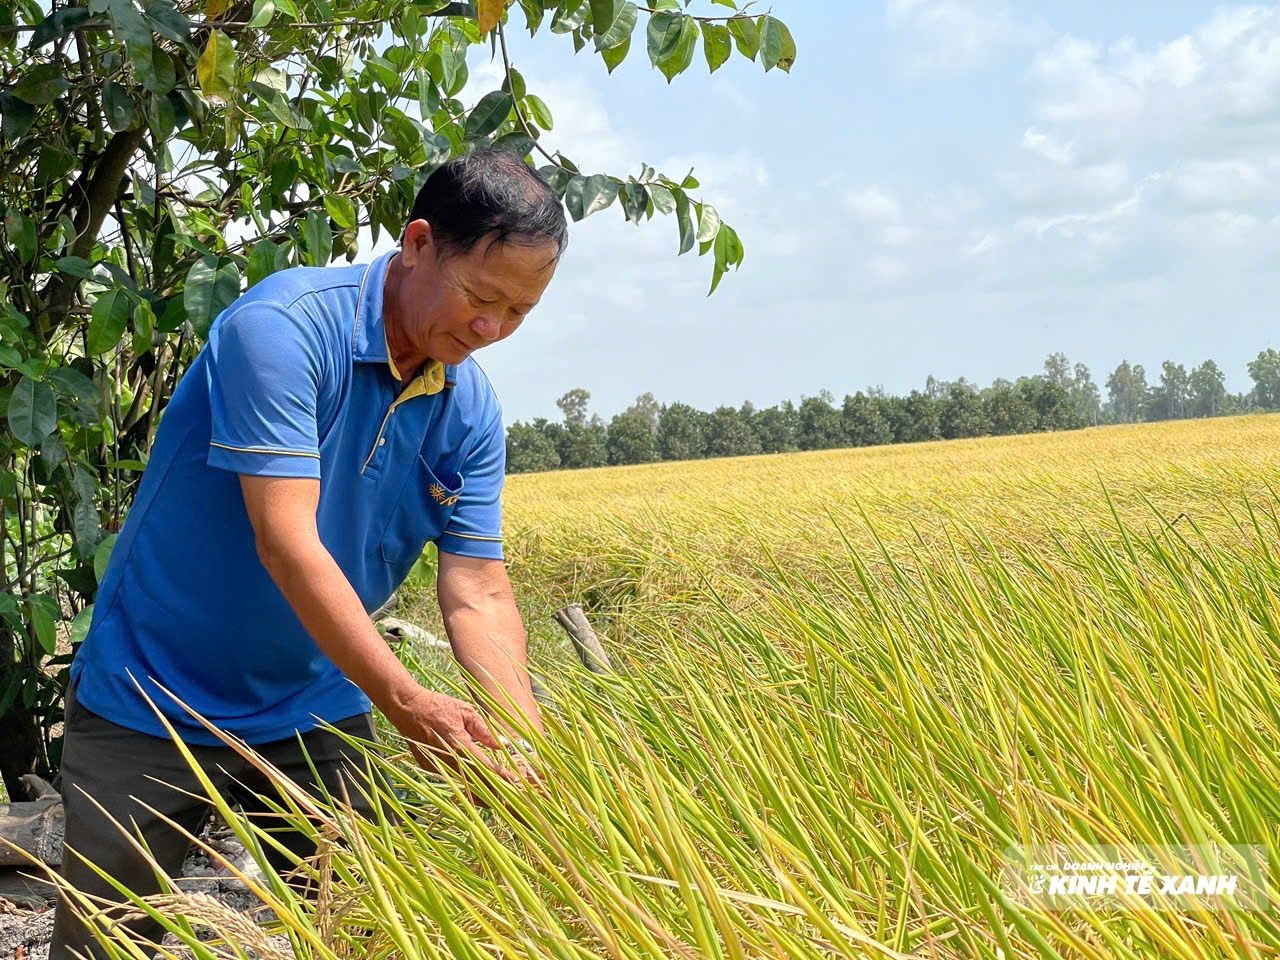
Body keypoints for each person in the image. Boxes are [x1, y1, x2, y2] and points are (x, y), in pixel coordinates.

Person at [49, 147, 567, 959]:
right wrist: (409, 704)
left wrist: (522, 748)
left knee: (372, 923)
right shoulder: (282, 332)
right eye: (480, 297)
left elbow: (479, 593)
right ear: (419, 243)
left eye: (518, 315)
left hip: (312, 697)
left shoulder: (467, 411)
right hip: (154, 691)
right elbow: (287, 542)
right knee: (106, 944)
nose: (489, 331)